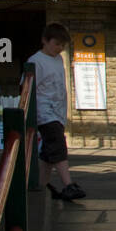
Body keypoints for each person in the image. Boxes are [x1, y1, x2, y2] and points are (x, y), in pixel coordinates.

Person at [26, 23, 85, 201]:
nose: (59, 49)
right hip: (44, 112)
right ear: (45, 40)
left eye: (62, 45)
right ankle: (68, 185)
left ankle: (42, 185)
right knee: (58, 145)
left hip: (57, 112)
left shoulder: (59, 60)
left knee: (49, 152)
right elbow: (27, 87)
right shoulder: (35, 61)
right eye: (56, 44)